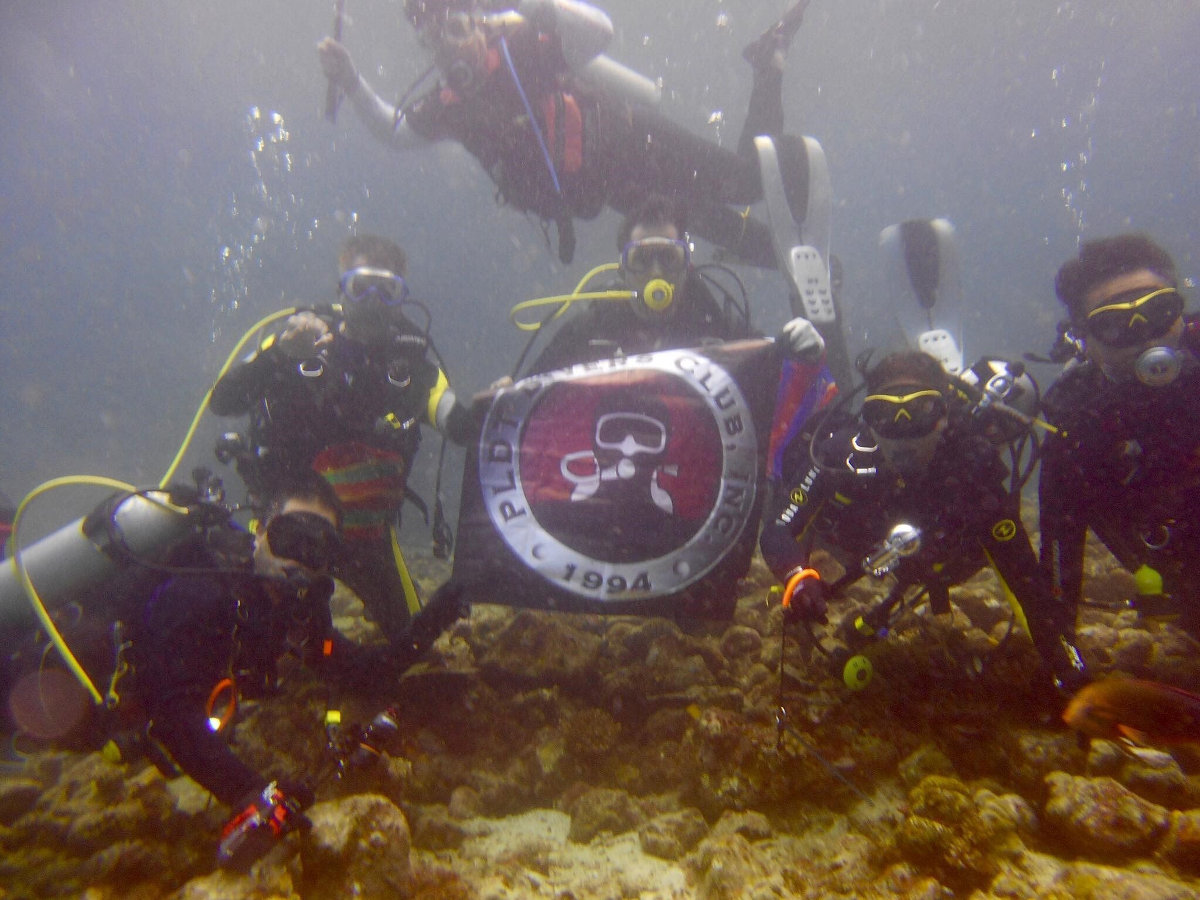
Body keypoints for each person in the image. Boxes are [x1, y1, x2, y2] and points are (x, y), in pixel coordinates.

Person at [318, 0, 814, 266]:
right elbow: (396, 132)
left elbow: (600, 31)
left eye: (454, 31)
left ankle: (768, 59)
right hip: (614, 189)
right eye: (432, 41)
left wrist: (518, 5)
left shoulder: (523, 48)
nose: (447, 51)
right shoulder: (450, 108)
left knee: (745, 185)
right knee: (726, 232)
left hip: (635, 139)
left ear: (479, 24)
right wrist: (352, 82)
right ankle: (795, 264)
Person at [760, 350, 1086, 693]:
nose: (903, 433)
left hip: (953, 558)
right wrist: (797, 576)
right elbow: (779, 528)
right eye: (885, 413)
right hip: (858, 546)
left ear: (944, 415)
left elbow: (1023, 579)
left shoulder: (971, 465)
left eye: (920, 411)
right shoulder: (838, 456)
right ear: (867, 419)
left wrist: (1062, 662)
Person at [210, 233, 472, 647]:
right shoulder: (297, 344)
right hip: (288, 534)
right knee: (253, 649)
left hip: (369, 539)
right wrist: (279, 354)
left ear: (401, 299)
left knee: (413, 647)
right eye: (360, 286)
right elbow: (223, 401)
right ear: (341, 291)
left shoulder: (415, 369)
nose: (371, 300)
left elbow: (460, 424)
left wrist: (497, 408)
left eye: (386, 291)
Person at [1039, 234, 1200, 635]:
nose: (1146, 335)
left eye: (1159, 310)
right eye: (1114, 324)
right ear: (1084, 340)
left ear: (1181, 314)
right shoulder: (1073, 423)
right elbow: (1061, 563)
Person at [522, 193, 826, 375]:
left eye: (668, 258)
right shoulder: (590, 329)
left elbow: (769, 372)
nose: (656, 273)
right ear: (623, 270)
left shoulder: (715, 323)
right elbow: (529, 395)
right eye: (642, 260)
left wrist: (794, 353)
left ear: (687, 265)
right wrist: (503, 400)